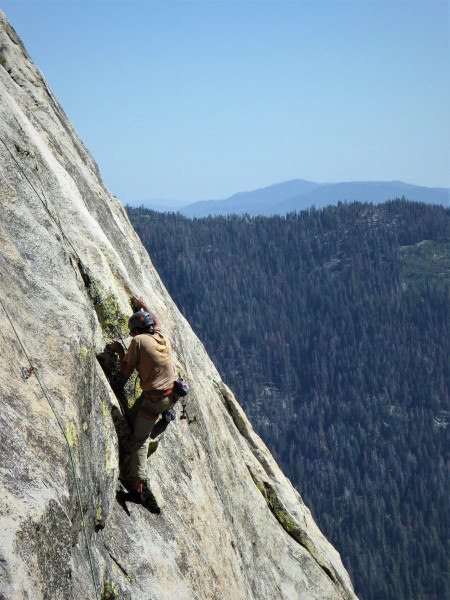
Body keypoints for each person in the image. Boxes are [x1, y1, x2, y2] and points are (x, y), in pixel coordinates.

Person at [108, 296, 177, 504]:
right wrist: (144, 306)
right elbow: (156, 321)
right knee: (141, 413)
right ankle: (165, 417)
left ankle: (137, 491)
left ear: (136, 331)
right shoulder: (161, 335)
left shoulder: (138, 341)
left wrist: (120, 351)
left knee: (138, 441)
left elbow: (126, 371)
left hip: (155, 401)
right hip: (174, 392)